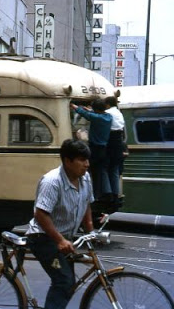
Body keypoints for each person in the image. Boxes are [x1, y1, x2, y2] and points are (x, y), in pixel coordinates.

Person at [26, 139, 95, 309]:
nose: (86, 164)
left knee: (68, 284)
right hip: (43, 237)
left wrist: (91, 232)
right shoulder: (52, 181)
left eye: (87, 160)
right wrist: (60, 241)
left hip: (64, 238)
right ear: (67, 161)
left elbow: (86, 203)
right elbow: (41, 214)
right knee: (64, 281)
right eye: (81, 160)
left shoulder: (85, 178)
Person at [70, 99, 112, 200]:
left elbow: (85, 114)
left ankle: (89, 195)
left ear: (96, 109)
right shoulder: (109, 117)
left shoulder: (96, 118)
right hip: (104, 148)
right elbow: (95, 114)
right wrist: (89, 109)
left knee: (89, 172)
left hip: (94, 148)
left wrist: (74, 106)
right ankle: (100, 195)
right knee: (99, 173)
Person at [104, 96, 125, 205]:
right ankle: (115, 195)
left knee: (105, 168)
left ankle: (108, 194)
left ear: (107, 104)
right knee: (115, 170)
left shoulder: (107, 113)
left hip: (110, 142)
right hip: (118, 143)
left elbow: (97, 116)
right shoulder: (118, 113)